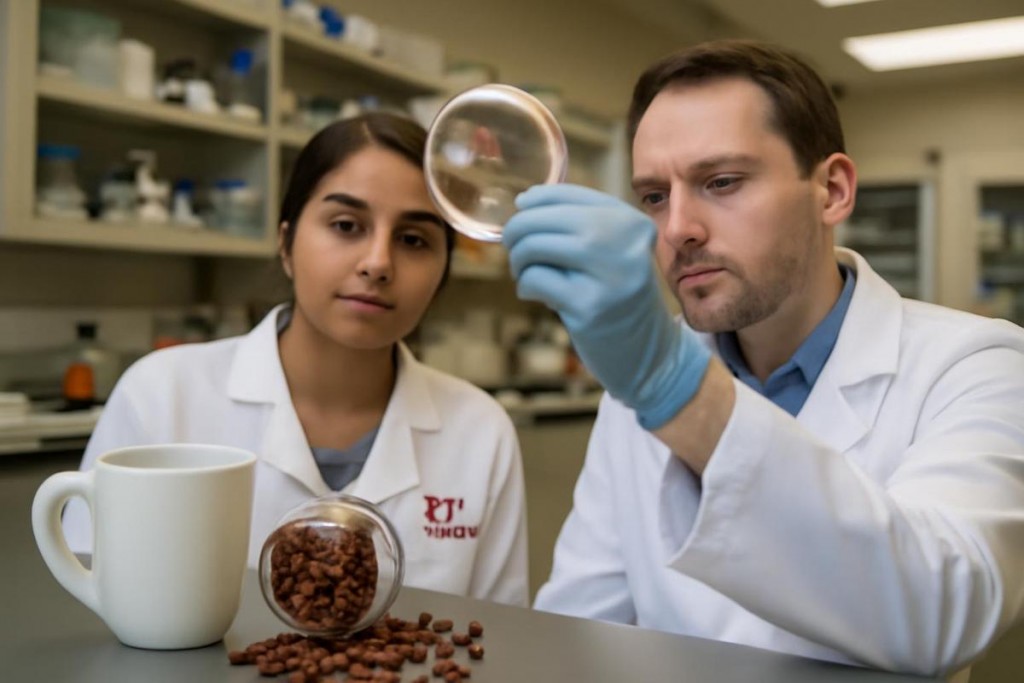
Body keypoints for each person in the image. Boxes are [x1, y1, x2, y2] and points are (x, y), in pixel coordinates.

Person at [503, 39, 1024, 676]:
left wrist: (681, 393)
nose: (677, 230)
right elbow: (581, 631)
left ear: (831, 189)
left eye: (721, 182)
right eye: (654, 197)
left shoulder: (976, 364)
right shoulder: (637, 382)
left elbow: (947, 611)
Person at [64, 113, 529, 607]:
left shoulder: (480, 432)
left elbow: (501, 637)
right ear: (286, 243)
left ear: (443, 273)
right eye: (346, 225)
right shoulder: (161, 396)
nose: (377, 262)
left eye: (413, 240)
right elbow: (87, 592)